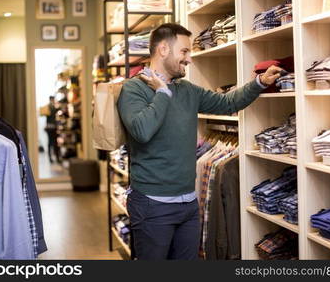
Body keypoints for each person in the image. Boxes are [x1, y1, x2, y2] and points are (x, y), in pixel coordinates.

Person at [117, 23, 283, 260]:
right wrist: (163, 93)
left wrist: (259, 83)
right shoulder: (133, 89)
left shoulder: (188, 90)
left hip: (188, 203)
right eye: (184, 51)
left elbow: (227, 103)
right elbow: (142, 130)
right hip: (152, 204)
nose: (189, 59)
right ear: (163, 49)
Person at [44, 96, 61, 163]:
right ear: (52, 99)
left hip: (49, 127)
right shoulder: (52, 107)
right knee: (54, 143)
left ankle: (50, 158)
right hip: (53, 127)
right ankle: (57, 158)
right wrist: (58, 106)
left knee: (50, 143)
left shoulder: (47, 107)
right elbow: (56, 110)